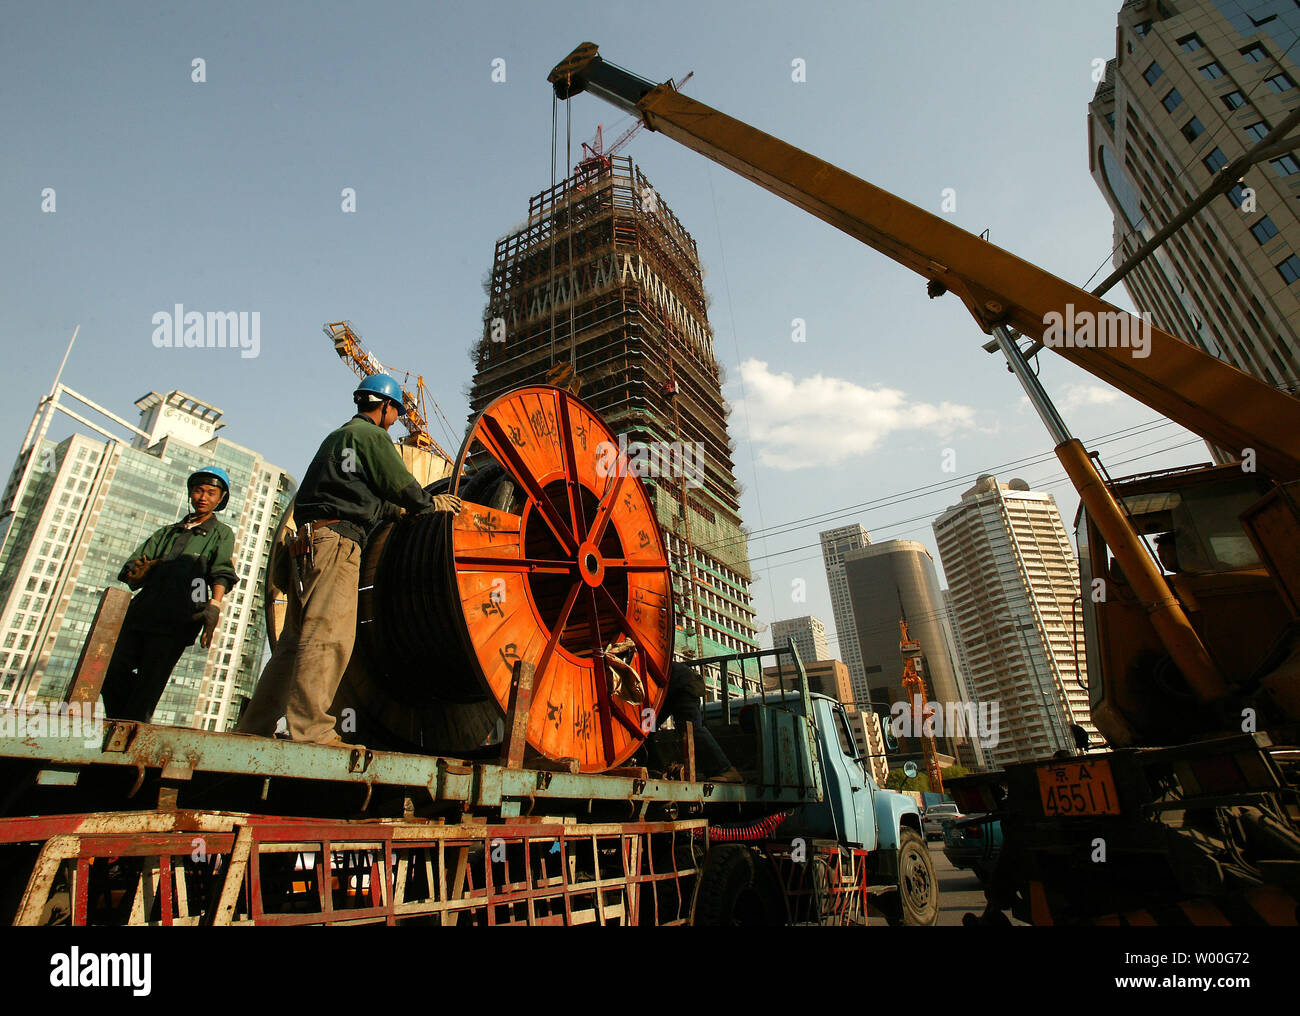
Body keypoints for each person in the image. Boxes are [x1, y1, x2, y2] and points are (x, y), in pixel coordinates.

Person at [236, 374, 461, 745]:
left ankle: (254, 727)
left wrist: (398, 513)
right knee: (329, 635)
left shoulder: (337, 437)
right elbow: (401, 484)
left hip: (306, 544)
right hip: (337, 543)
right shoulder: (373, 437)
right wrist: (427, 503)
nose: (396, 420)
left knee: (294, 643)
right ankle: (311, 730)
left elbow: (362, 493)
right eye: (396, 412)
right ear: (386, 406)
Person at [101, 466, 238, 721]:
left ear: (220, 499)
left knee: (149, 686)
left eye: (211, 492)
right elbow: (132, 569)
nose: (203, 497)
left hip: (180, 618)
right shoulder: (167, 532)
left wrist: (214, 606)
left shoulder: (221, 533)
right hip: (141, 614)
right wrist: (145, 569)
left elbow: (221, 571)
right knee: (112, 671)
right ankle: (121, 724)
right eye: (198, 490)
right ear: (190, 493)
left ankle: (130, 730)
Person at [600, 639, 741, 781]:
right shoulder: (630, 669)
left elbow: (645, 696)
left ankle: (725, 770)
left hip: (682, 687)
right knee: (646, 733)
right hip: (664, 693)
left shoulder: (635, 668)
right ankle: (654, 769)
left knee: (690, 729)